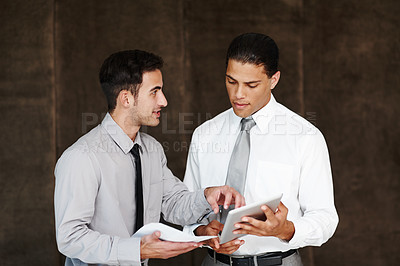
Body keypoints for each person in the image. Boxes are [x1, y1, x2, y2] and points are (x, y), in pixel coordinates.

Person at [54, 50, 245, 266]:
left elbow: (173, 203)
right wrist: (137, 250)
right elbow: (69, 238)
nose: (163, 101)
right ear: (126, 98)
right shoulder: (81, 158)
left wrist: (208, 196)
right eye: (154, 92)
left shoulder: (152, 150)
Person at [183, 33, 339, 266]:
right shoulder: (204, 134)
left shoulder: (305, 137)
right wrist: (202, 232)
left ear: (273, 80)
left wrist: (285, 229)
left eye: (251, 85)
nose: (238, 95)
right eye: (231, 81)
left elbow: (325, 218)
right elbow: (186, 208)